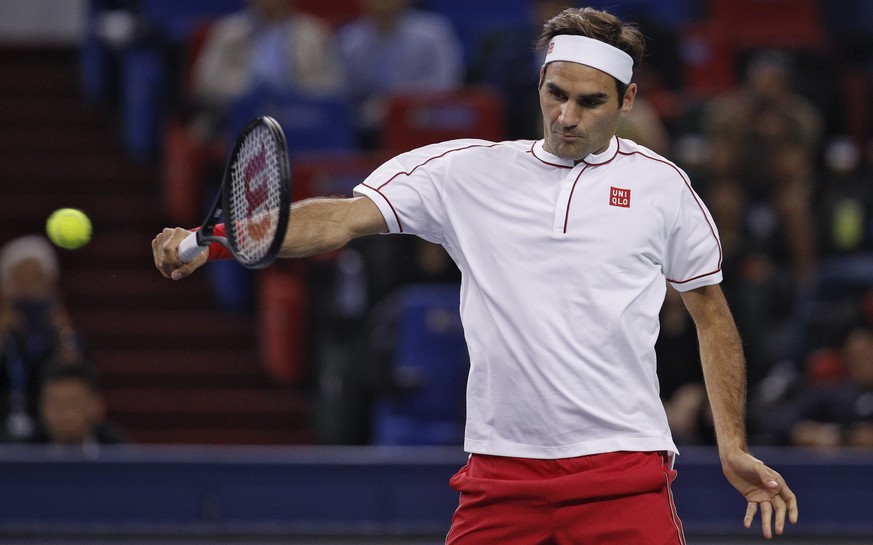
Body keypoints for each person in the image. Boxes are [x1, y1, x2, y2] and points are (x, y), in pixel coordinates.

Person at [153, 7, 798, 542]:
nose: (568, 116)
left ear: (627, 99)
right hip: (499, 479)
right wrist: (218, 240)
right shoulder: (464, 172)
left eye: (591, 101)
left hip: (624, 475)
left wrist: (732, 443)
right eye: (556, 94)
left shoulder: (664, 189)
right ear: (540, 84)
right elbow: (341, 220)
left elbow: (710, 313)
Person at [336, 0, 465, 148]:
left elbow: (447, 83)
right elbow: (344, 92)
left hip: (425, 119)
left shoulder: (433, 31)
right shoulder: (351, 40)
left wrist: (397, 105)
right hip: (370, 128)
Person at [0, 235, 89, 442]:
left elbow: (80, 377)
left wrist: (64, 333)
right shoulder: (7, 336)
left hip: (53, 435)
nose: (29, 289)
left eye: (36, 279)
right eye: (21, 279)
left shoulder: (64, 335)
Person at [29, 363, 127, 453]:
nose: (66, 415)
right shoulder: (26, 454)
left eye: (73, 403)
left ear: (95, 405)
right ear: (42, 407)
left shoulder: (117, 451)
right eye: (57, 405)